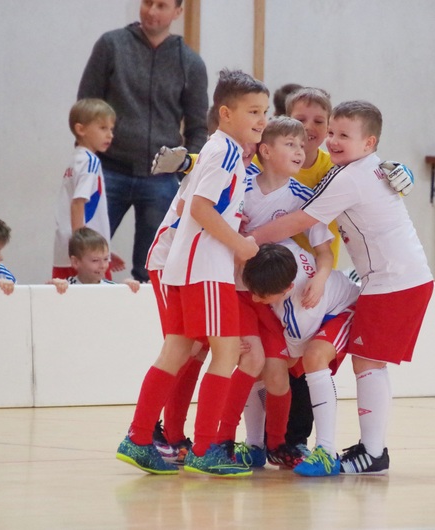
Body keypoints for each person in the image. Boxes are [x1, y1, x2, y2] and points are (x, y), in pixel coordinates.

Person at [251, 100, 434, 474]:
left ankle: (373, 452)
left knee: (369, 362)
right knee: (367, 361)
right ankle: (369, 449)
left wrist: (245, 241)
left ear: (369, 143)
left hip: (393, 281)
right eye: (331, 132)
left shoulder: (350, 177)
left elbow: (299, 220)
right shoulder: (357, 169)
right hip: (391, 279)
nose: (332, 140)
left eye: (343, 135)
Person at [115, 69, 264, 477]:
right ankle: (204, 449)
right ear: (226, 113)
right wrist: (240, 246)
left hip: (185, 267)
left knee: (177, 351)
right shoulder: (227, 152)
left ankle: (140, 437)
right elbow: (199, 208)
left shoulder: (217, 149)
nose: (261, 120)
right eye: (253, 111)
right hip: (206, 268)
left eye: (264, 112)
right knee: (226, 353)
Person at [214, 116, 334, 470]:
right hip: (236, 293)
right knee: (251, 362)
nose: (300, 151)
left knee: (276, 373)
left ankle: (276, 445)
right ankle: (226, 441)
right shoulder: (240, 186)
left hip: (271, 300)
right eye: (290, 144)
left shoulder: (305, 198)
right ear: (265, 151)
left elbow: (325, 252)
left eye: (302, 145)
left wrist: (320, 279)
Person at [77, 0, 209, 282]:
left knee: (152, 269)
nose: (152, 11)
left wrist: (184, 173)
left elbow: (199, 127)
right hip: (107, 170)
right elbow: (86, 107)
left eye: (161, 5)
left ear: (177, 12)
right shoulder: (111, 45)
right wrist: (84, 161)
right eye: (148, 2)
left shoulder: (191, 62)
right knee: (86, 259)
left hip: (161, 179)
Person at [242, 242, 359, 477]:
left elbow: (286, 362)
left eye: (262, 296)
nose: (254, 298)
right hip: (321, 301)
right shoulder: (283, 250)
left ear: (287, 288)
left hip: (345, 307)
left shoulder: (299, 317)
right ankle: (255, 443)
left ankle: (326, 452)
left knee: (312, 358)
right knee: (259, 360)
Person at [52, 99, 124, 280]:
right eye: (103, 128)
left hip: (65, 250)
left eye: (111, 129)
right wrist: (82, 247)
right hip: (84, 255)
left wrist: (104, 250)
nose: (110, 135)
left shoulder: (75, 160)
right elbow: (78, 203)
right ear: (81, 129)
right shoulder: (90, 161)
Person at [48, 227, 140, 293]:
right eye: (95, 260)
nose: (103, 266)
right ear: (76, 262)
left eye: (106, 259)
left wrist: (128, 288)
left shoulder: (111, 288)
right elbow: (45, 299)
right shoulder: (66, 287)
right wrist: (54, 287)